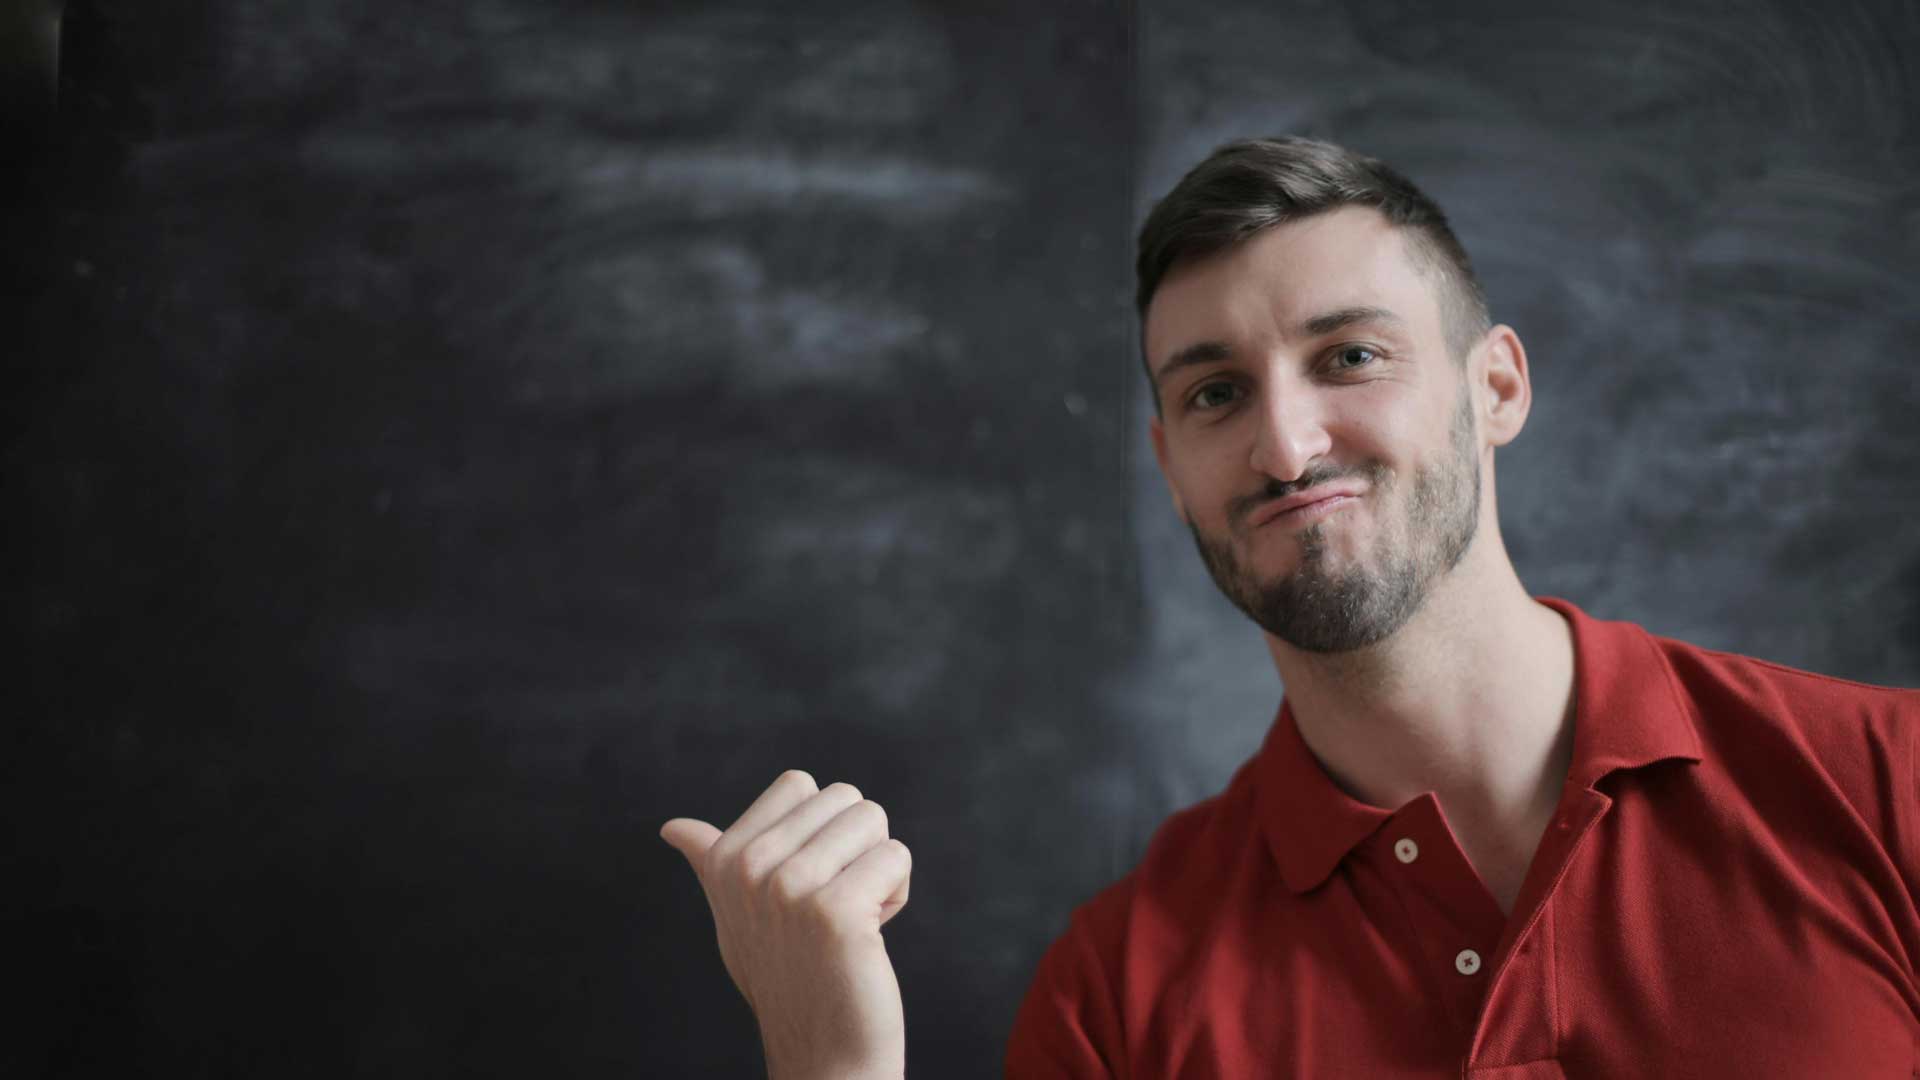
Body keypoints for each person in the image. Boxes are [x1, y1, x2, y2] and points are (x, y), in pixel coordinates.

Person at [663, 136, 1920, 1078]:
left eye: (1350, 357)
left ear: (1497, 388)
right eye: (1215, 394)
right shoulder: (1116, 1000)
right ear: (1168, 467)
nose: (1285, 445)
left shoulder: (1887, 786)